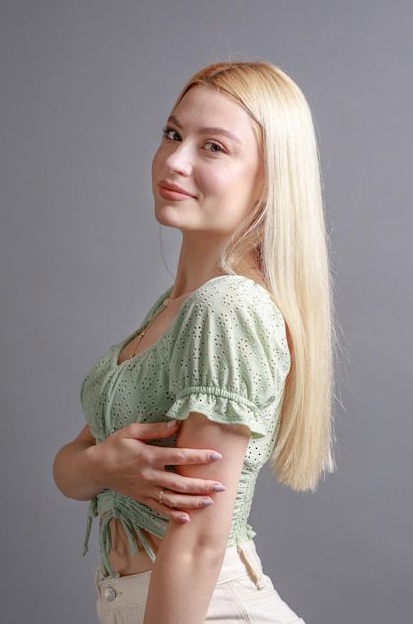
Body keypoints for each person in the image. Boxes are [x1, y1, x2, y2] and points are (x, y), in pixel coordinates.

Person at [53, 60, 334, 624]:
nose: (174, 162)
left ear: (270, 178)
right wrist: (104, 464)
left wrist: (96, 465)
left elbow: (201, 544)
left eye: (213, 148)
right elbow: (70, 468)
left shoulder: (225, 309)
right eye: (174, 135)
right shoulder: (174, 308)